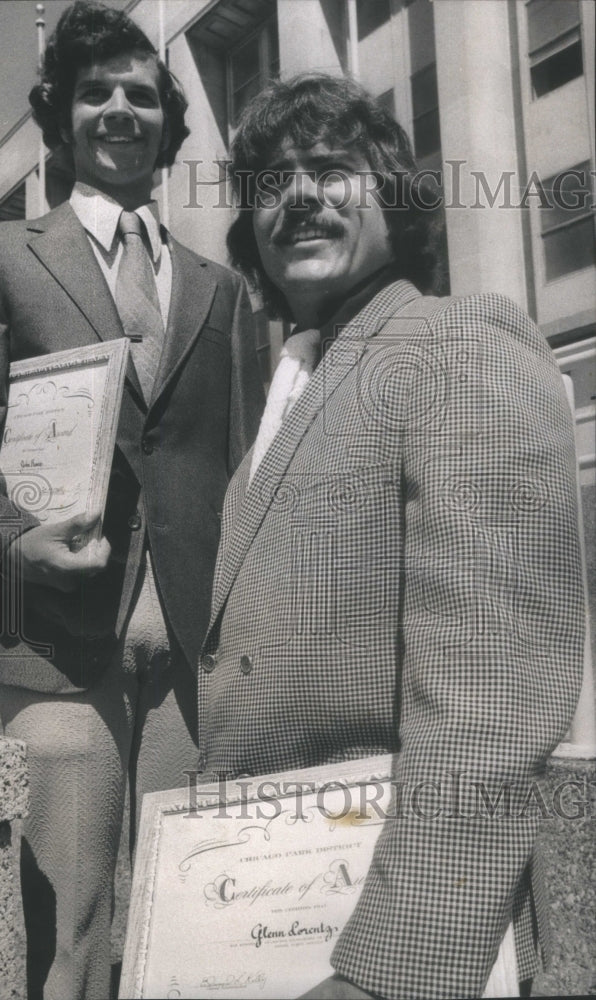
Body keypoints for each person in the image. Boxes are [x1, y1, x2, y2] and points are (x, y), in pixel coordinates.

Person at [197, 74, 584, 999]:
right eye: (268, 183)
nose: (296, 197)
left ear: (395, 198)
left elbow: (492, 693)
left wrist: (389, 973)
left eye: (330, 170)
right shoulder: (287, 396)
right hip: (258, 916)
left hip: (396, 937)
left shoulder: (459, 343)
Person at [0, 3, 263, 998]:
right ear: (61, 116)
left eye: (141, 94)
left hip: (191, 650)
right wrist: (15, 542)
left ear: (167, 124)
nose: (118, 108)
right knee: (68, 930)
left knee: (183, 922)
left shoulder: (216, 287)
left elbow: (241, 461)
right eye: (95, 92)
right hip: (54, 640)